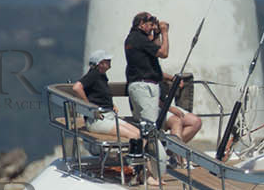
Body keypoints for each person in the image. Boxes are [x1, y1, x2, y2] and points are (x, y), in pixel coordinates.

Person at [123, 12, 202, 144]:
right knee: (173, 122)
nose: (153, 25)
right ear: (141, 24)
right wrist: (165, 33)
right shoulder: (138, 39)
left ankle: (170, 151)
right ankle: (175, 158)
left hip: (153, 94)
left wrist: (157, 34)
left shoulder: (139, 44)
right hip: (147, 94)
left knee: (195, 122)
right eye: (150, 23)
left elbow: (152, 61)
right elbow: (163, 53)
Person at [71, 50, 129, 136]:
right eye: (107, 60)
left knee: (138, 134)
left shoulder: (101, 76)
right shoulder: (94, 74)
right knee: (134, 136)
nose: (110, 62)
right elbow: (76, 87)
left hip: (108, 116)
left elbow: (99, 94)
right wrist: (89, 106)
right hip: (98, 121)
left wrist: (112, 105)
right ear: (100, 64)